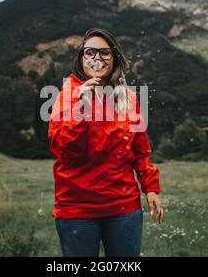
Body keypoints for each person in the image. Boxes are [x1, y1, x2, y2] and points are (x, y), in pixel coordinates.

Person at [48, 28, 164, 257]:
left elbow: (140, 150)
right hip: (77, 209)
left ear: (114, 59)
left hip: (123, 207)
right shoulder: (67, 95)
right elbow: (63, 149)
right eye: (90, 52)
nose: (97, 58)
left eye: (105, 53)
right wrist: (82, 108)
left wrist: (150, 187)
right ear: (82, 59)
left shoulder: (129, 98)